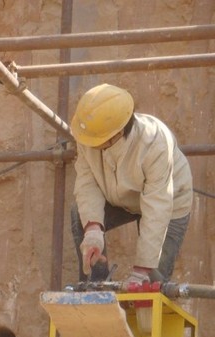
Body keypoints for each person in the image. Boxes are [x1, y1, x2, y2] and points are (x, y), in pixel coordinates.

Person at [70, 83, 193, 285]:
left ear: (117, 134)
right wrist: (93, 229)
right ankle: (97, 285)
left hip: (168, 203)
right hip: (123, 198)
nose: (88, 143)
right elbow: (87, 180)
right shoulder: (89, 134)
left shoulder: (155, 142)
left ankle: (148, 290)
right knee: (79, 214)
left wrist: (141, 270)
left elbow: (157, 207)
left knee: (152, 284)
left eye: (95, 140)